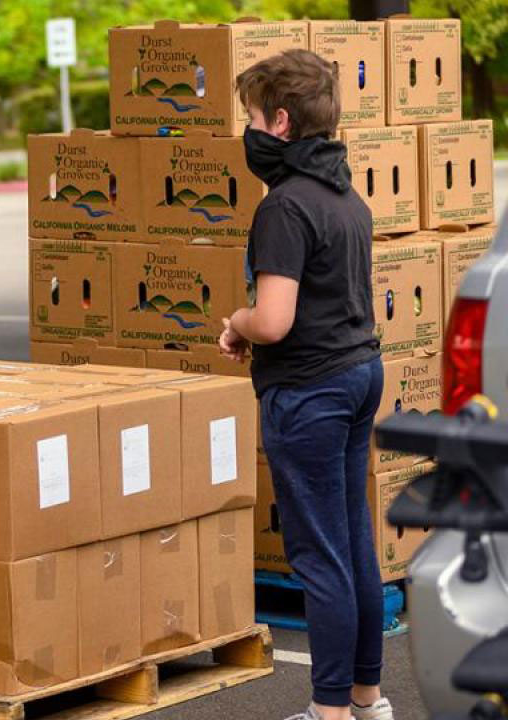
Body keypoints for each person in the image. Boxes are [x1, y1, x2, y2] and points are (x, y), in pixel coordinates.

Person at [218, 49, 390, 720]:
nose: (248, 129)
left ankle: (328, 714)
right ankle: (367, 702)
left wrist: (236, 321)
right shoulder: (346, 194)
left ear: (280, 122)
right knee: (353, 546)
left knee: (319, 558)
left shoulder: (284, 208)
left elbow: (275, 319)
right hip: (358, 373)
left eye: (251, 117)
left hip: (309, 392)